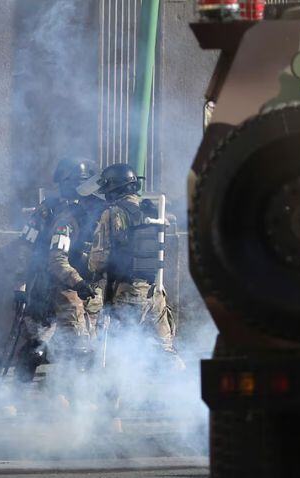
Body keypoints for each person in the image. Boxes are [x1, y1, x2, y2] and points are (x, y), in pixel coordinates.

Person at [87, 163, 184, 431]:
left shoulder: (113, 213)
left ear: (112, 188)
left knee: (117, 352)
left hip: (128, 293)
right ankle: (188, 405)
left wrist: (87, 270)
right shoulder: (153, 210)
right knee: (166, 353)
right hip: (156, 292)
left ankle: (111, 421)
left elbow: (99, 259)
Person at [12, 158, 100, 386]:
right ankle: (16, 396)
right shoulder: (48, 209)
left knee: (81, 345)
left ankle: (72, 396)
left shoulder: (91, 209)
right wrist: (21, 281)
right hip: (46, 283)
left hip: (77, 285)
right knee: (38, 342)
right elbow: (25, 245)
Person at [44, 158, 106, 402]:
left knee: (94, 348)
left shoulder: (102, 218)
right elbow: (56, 260)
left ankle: (84, 399)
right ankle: (61, 398)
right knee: (74, 347)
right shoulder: (67, 220)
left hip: (94, 290)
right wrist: (78, 282)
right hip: (70, 291)